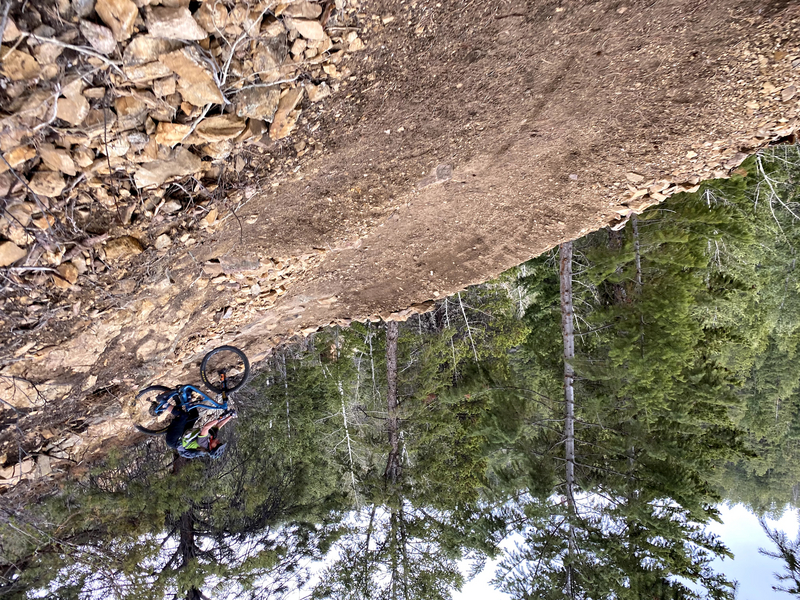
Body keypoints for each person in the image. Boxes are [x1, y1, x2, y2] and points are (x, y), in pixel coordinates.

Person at [164, 402, 236, 459]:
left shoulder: (203, 444)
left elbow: (206, 427)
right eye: (220, 443)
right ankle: (186, 397)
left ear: (211, 447)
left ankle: (163, 403)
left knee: (183, 416)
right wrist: (230, 416)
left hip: (174, 440)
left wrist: (219, 418)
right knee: (194, 415)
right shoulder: (212, 437)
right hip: (184, 433)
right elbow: (219, 425)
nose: (219, 442)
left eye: (218, 445)